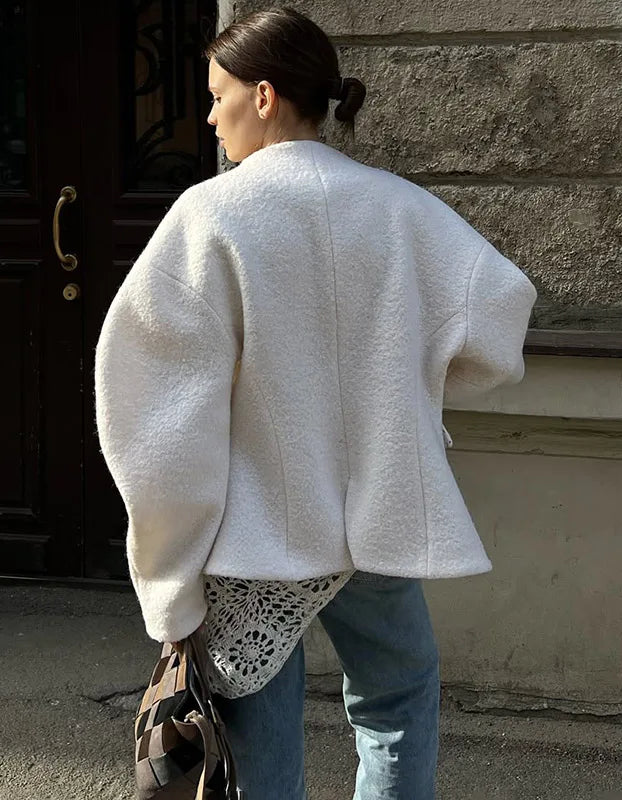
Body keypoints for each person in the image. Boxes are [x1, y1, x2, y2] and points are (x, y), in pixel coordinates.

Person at [94, 7, 537, 799]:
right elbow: (499, 320)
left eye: (218, 96)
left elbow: (159, 420)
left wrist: (169, 576)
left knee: (263, 738)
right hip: (377, 521)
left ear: (264, 96)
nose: (209, 117)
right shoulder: (400, 208)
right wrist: (407, 394)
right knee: (398, 700)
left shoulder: (209, 216)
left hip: (257, 535)